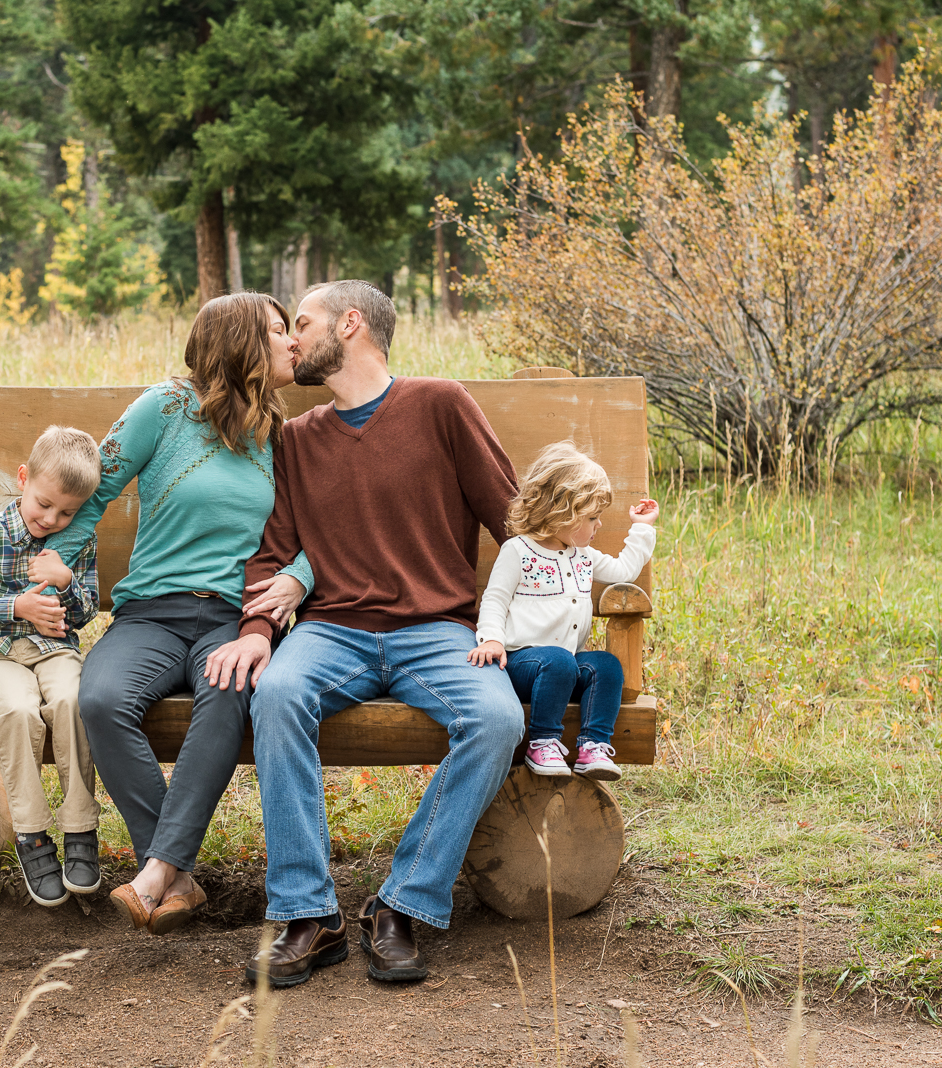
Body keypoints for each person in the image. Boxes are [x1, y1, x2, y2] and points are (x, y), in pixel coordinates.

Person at [203, 279, 523, 989]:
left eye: (304, 323)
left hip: (436, 629)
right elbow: (273, 549)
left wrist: (547, 606)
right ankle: (309, 915)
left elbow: (514, 521)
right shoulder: (296, 438)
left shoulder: (440, 404)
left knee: (497, 717)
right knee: (278, 694)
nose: (290, 340)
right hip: (332, 631)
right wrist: (258, 629)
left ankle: (403, 903)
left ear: (350, 325)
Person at [46, 292, 316, 936]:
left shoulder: (283, 434)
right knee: (101, 699)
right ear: (243, 344)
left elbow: (320, 531)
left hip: (236, 618)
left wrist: (296, 580)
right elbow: (95, 488)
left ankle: (156, 873)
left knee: (226, 693)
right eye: (279, 332)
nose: (293, 343)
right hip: (150, 614)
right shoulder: (162, 408)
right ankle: (177, 874)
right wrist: (55, 562)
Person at [0, 425, 103, 907]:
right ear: (23, 478)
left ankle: (80, 827)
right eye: (44, 504)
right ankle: (32, 834)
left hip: (54, 651)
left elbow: (85, 612)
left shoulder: (76, 543)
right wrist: (18, 606)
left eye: (67, 512)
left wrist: (66, 583)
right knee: (19, 710)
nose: (52, 518)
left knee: (72, 700)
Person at [468, 441, 659, 779]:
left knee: (606, 666)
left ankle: (593, 746)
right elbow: (495, 599)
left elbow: (622, 571)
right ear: (564, 512)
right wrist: (492, 640)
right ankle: (542, 743)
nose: (598, 525)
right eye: (592, 517)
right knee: (557, 660)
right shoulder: (519, 551)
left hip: (566, 664)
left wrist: (642, 527)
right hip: (523, 664)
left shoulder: (582, 556)